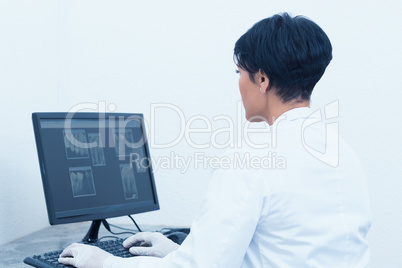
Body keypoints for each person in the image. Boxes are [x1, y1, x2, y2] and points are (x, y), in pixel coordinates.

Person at [59, 12, 372, 267]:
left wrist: (102, 262)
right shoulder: (340, 151)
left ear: (261, 79)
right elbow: (286, 246)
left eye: (239, 72)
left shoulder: (253, 156)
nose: (238, 84)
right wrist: (177, 250)